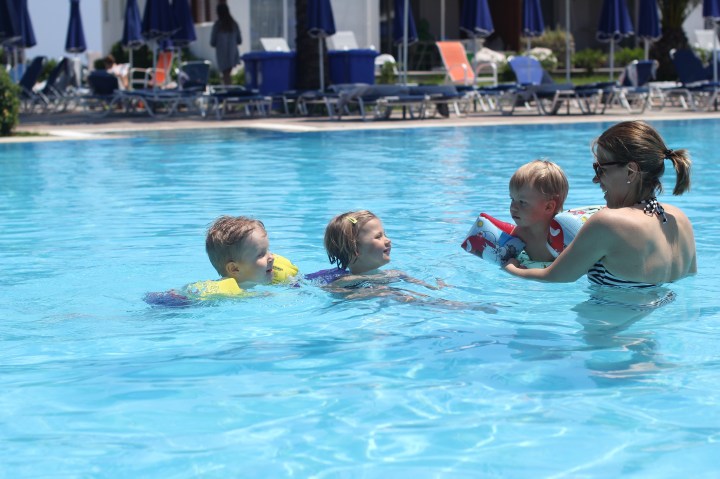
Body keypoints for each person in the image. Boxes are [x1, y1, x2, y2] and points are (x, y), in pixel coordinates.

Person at [504, 120, 697, 287]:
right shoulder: (679, 219)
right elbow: (689, 280)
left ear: (630, 171)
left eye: (601, 169)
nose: (596, 180)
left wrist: (511, 268)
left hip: (611, 319)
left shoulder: (607, 223)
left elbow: (555, 276)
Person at [144, 216, 297, 306]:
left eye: (268, 250)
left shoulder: (273, 279)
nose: (271, 257)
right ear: (234, 269)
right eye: (261, 254)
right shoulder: (223, 291)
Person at [508, 159, 569, 264]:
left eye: (522, 202)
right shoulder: (520, 234)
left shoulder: (563, 235)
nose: (513, 207)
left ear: (548, 207)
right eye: (512, 199)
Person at [210, 3, 242, 85]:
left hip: (222, 55)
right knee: (227, 75)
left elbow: (212, 42)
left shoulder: (217, 25)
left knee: (225, 75)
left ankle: (228, 88)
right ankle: (228, 87)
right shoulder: (234, 24)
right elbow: (239, 40)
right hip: (233, 54)